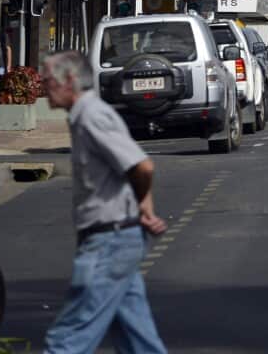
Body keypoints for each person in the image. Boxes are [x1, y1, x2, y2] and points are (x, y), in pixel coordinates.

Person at [41, 50, 168, 354]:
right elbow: (132, 164)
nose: (42, 85)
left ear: (69, 80)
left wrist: (142, 205)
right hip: (115, 239)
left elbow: (142, 166)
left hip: (109, 242)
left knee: (68, 338)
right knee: (138, 339)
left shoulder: (92, 116)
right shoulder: (84, 116)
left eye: (47, 79)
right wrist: (144, 205)